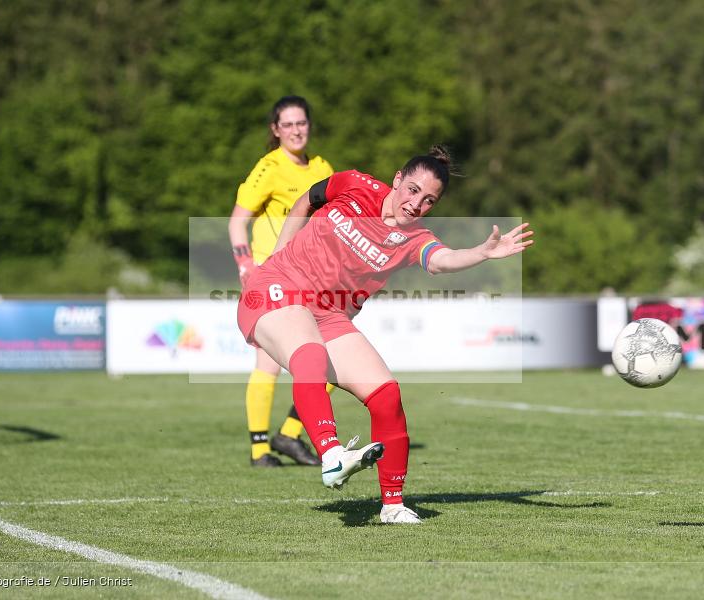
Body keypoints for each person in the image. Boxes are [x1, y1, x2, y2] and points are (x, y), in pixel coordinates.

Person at [236, 146, 533, 523]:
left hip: (329, 313)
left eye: (428, 201)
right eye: (412, 190)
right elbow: (306, 200)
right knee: (309, 354)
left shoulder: (414, 239)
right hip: (279, 288)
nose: (416, 204)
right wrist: (278, 257)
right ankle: (331, 456)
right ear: (396, 179)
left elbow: (441, 261)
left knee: (386, 395)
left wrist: (481, 253)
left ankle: (392, 505)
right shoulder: (355, 184)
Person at [228, 96, 333, 467]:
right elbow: (237, 221)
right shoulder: (269, 167)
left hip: (309, 277)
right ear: (276, 130)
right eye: (287, 124)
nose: (296, 130)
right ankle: (260, 451)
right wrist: (246, 268)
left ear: (309, 125)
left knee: (330, 360)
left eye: (301, 123)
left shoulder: (321, 168)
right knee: (269, 364)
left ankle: (288, 435)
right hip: (270, 275)